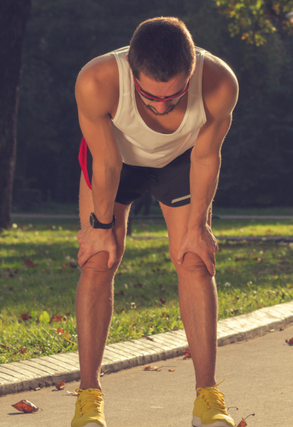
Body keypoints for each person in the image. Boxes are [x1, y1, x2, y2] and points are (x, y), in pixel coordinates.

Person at [71, 17, 238, 427]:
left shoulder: (220, 83)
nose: (162, 105)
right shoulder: (96, 80)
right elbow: (106, 162)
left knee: (194, 259)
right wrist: (100, 224)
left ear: (193, 72)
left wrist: (198, 226)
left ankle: (207, 399)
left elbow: (205, 157)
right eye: (149, 96)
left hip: (181, 161)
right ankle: (88, 398)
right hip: (116, 159)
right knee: (99, 261)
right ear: (131, 70)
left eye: (174, 95)